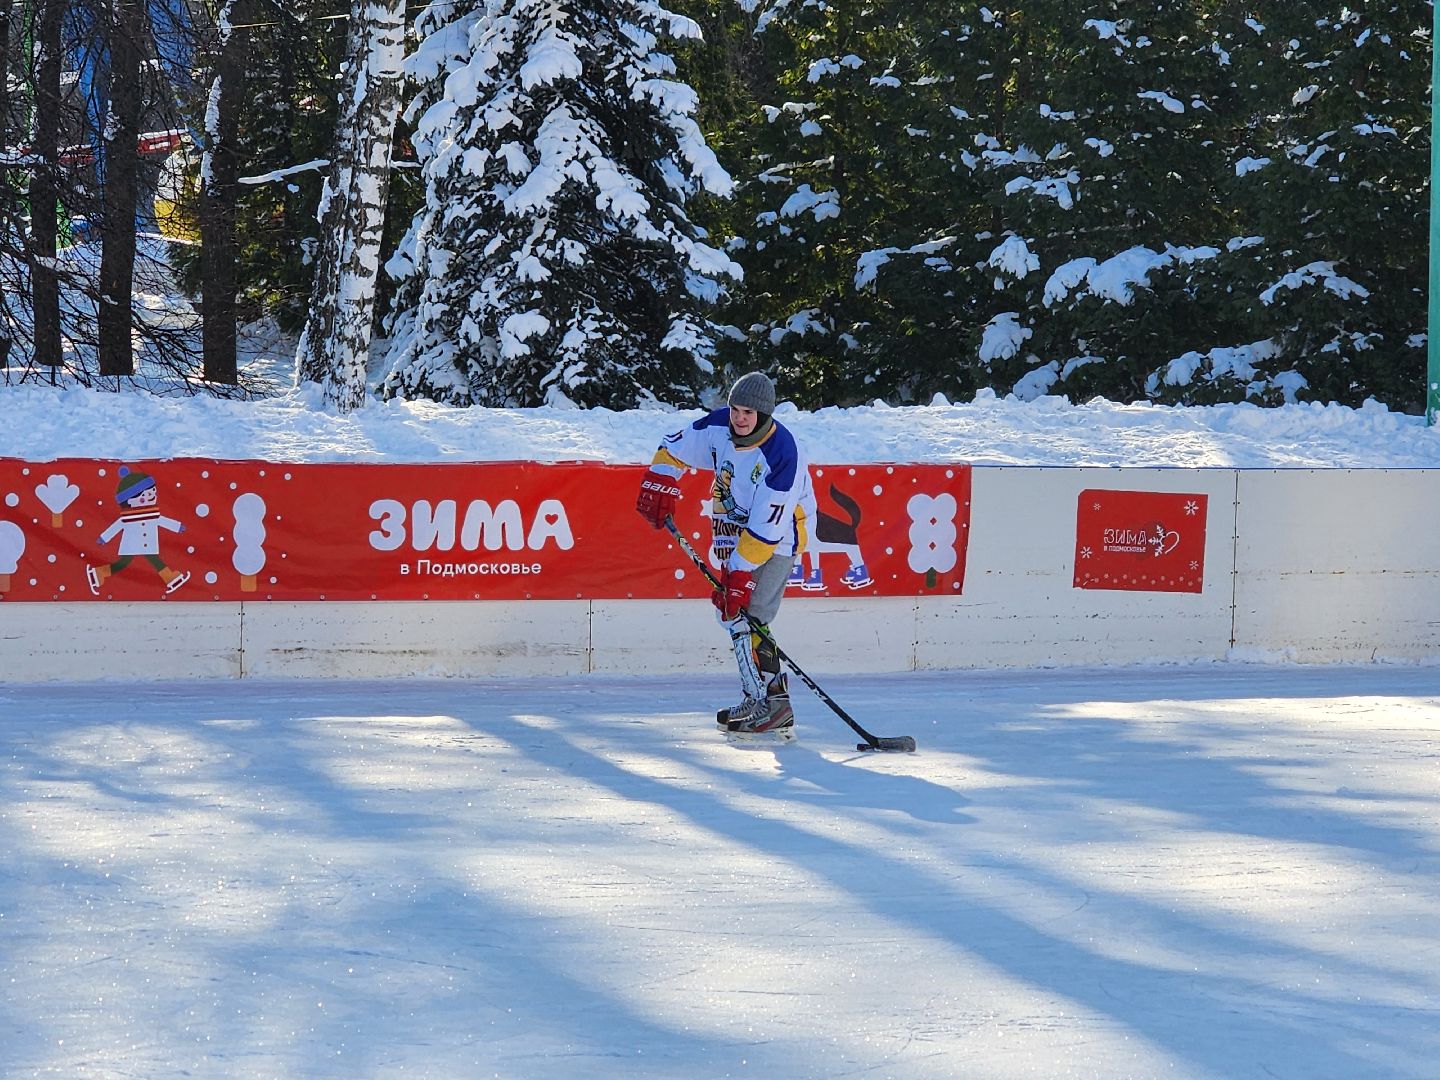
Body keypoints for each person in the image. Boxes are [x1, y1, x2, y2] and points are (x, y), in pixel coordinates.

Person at [635, 371, 811, 739]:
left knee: (753, 615)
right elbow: (673, 447)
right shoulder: (718, 427)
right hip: (732, 528)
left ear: (764, 415)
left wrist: (741, 575)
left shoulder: (783, 454)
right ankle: (755, 696)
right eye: (735, 409)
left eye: (748, 412)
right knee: (734, 616)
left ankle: (775, 703)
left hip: (775, 538)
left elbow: (768, 527)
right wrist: (661, 479)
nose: (739, 418)